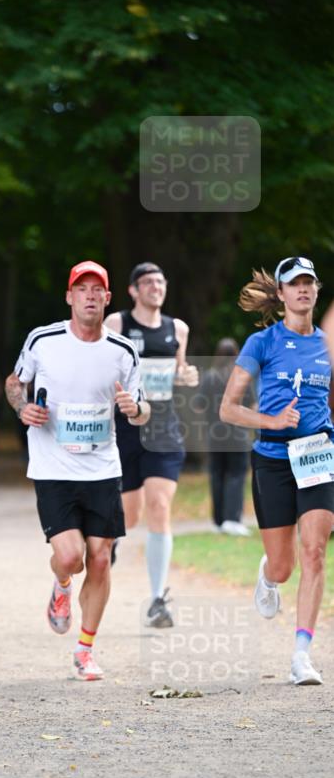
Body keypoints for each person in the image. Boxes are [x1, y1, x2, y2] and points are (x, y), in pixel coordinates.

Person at [5, 259, 149, 681]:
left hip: (102, 468)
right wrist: (22, 408)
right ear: (69, 296)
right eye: (82, 289)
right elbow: (14, 382)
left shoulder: (123, 350)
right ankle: (62, 584)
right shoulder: (43, 340)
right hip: (54, 467)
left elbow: (143, 409)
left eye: (97, 289)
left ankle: (85, 649)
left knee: (101, 559)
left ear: (108, 298)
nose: (90, 295)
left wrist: (135, 409)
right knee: (70, 558)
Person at [220, 257, 333, 686]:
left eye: (309, 282)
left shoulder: (328, 345)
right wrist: (272, 421)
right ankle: (269, 575)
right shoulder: (262, 343)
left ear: (317, 291)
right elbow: (228, 409)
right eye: (294, 283)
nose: (303, 289)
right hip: (272, 459)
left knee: (315, 551)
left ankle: (301, 655)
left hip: (318, 455)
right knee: (285, 566)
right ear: (281, 294)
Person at [104, 262, 199, 627]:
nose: (155, 287)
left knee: (159, 506)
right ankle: (111, 543)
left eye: (160, 281)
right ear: (133, 290)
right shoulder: (117, 324)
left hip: (163, 429)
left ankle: (158, 599)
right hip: (125, 429)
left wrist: (186, 375)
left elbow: (180, 372)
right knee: (129, 517)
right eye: (147, 282)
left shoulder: (178, 329)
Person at [200, 338, 253, 536]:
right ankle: (232, 519)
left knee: (217, 476)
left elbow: (199, 404)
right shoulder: (241, 377)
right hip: (238, 436)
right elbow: (252, 405)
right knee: (236, 475)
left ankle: (218, 521)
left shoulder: (209, 377)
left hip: (215, 436)